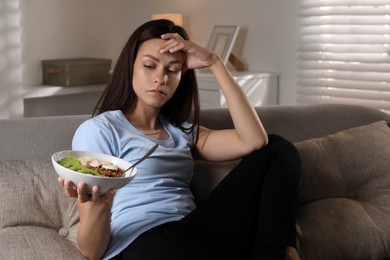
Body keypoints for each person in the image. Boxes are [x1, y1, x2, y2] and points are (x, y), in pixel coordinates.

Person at [58, 19, 302, 260]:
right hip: (143, 244)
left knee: (279, 147)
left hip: (192, 237)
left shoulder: (183, 131)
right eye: (149, 66)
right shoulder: (100, 130)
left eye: (172, 70)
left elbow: (254, 141)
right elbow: (91, 252)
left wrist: (215, 63)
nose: (161, 78)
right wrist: (100, 206)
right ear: (130, 66)